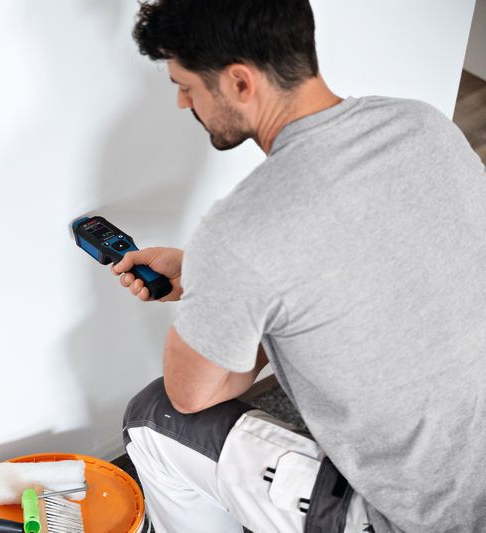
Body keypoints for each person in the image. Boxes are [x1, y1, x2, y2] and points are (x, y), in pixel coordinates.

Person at [111, 1, 486, 532]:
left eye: (187, 86)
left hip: (424, 519)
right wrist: (218, 281)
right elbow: (384, 262)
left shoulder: (239, 232)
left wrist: (229, 285)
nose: (181, 102)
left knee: (153, 417)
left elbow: (193, 395)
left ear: (240, 82)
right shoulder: (421, 124)